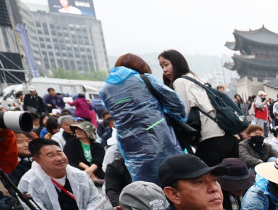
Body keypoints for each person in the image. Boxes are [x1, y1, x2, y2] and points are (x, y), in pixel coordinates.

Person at [99, 53, 186, 186]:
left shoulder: (104, 90)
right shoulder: (144, 79)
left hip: (129, 144)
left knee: (146, 186)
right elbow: (177, 106)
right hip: (159, 139)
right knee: (174, 180)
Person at [6, 137, 103, 210]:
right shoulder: (29, 181)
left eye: (59, 153)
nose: (58, 158)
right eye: (51, 155)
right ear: (37, 160)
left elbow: (95, 199)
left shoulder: (80, 175)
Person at [159, 49, 239, 165]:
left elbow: (183, 113)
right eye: (162, 67)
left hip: (211, 138)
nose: (164, 70)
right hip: (229, 137)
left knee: (205, 178)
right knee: (231, 179)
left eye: (166, 64)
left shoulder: (180, 82)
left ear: (176, 63)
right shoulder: (197, 78)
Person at [64, 121, 106, 185]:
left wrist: (90, 171)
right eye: (77, 129)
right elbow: (72, 159)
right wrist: (88, 172)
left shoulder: (98, 146)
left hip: (95, 170)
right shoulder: (71, 142)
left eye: (81, 130)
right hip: (77, 169)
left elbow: (98, 161)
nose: (78, 131)